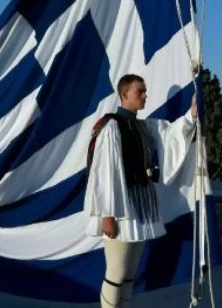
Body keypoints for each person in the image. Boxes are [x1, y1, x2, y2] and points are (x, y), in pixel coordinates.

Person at [83, 75, 198, 308]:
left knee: (128, 276)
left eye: (145, 91)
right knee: (115, 274)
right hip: (120, 208)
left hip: (141, 207)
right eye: (140, 92)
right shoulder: (111, 126)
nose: (145, 95)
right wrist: (107, 213)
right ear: (124, 94)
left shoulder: (143, 126)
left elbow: (169, 135)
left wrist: (192, 114)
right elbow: (104, 172)